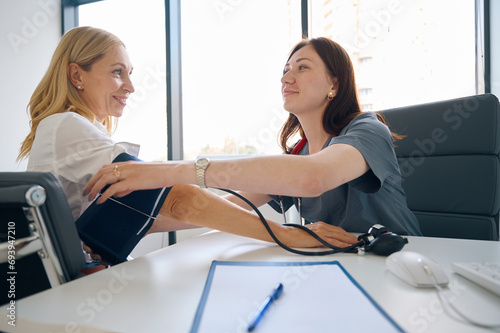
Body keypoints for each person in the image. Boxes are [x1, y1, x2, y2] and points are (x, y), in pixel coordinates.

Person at [18, 27, 356, 266]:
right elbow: (176, 200)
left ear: (334, 85)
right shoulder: (67, 125)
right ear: (77, 75)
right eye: (118, 72)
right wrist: (286, 234)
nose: (132, 86)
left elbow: (162, 210)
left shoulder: (360, 130)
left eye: (131, 73)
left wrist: (232, 217)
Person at [85, 37, 422, 238]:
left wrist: (170, 171)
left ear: (334, 84)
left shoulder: (366, 129)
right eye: (285, 70)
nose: (287, 77)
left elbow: (314, 178)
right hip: (346, 264)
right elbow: (229, 205)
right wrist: (121, 225)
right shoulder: (297, 157)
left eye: (302, 67)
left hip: (399, 263)